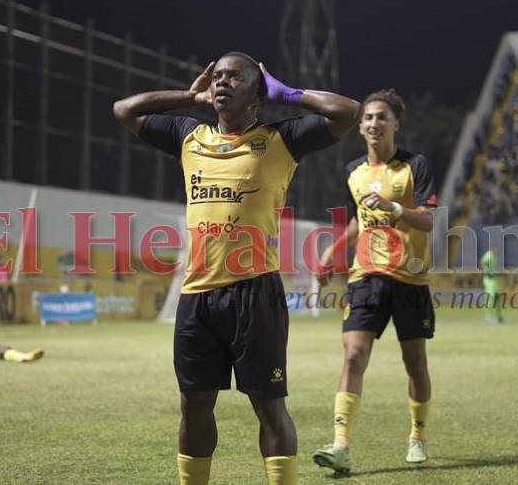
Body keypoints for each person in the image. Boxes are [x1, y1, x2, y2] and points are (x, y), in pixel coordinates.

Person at [114, 52, 359, 485]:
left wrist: (289, 94)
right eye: (219, 76)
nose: (223, 82)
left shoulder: (281, 138)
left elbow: (347, 113)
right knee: (194, 403)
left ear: (257, 92)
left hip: (255, 293)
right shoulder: (189, 135)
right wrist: (190, 95)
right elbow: (125, 110)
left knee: (269, 406)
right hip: (197, 297)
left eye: (236, 76)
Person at [311, 89, 437, 475]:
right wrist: (333, 251)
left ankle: (417, 436)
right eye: (367, 117)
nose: (373, 123)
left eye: (381, 117)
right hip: (365, 276)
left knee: (414, 361)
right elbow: (357, 219)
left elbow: (429, 220)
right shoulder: (353, 171)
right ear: (360, 126)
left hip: (411, 278)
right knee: (352, 355)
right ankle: (341, 445)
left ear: (396, 124)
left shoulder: (415, 165)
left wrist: (395, 208)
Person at [481, 245, 503, 324]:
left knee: (497, 299)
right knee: (490, 298)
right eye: (497, 249)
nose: (498, 251)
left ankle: (499, 317)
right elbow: (483, 262)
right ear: (493, 248)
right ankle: (488, 317)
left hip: (494, 280)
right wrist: (486, 271)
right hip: (489, 279)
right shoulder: (489, 255)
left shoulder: (494, 257)